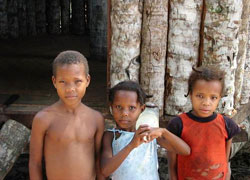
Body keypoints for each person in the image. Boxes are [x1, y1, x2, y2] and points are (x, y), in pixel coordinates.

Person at [29, 50, 105, 180]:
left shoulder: (96, 119)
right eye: (63, 82)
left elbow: (98, 161)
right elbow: (35, 163)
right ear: (54, 81)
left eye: (77, 81)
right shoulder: (43, 119)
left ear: (87, 80)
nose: (70, 88)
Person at [101, 80, 190, 180]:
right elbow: (105, 171)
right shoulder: (110, 136)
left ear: (142, 109)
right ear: (111, 108)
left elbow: (185, 150)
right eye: (118, 107)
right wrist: (131, 145)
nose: (125, 113)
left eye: (131, 108)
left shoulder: (148, 134)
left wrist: (163, 132)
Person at [167, 66, 241, 180]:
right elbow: (172, 159)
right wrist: (173, 176)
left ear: (219, 98)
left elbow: (225, 158)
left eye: (213, 97)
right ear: (190, 94)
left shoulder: (227, 125)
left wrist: (226, 174)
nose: (206, 103)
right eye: (200, 96)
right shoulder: (178, 125)